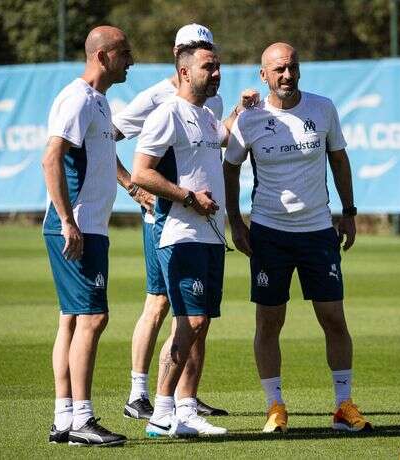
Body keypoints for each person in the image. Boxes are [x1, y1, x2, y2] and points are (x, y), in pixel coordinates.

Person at [223, 42, 372, 434]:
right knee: (269, 321)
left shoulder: (323, 108)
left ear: (299, 69)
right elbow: (230, 168)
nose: (286, 75)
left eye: (291, 67)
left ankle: (343, 406)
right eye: (278, 70)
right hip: (269, 234)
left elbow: (339, 159)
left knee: (334, 319)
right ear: (263, 75)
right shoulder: (249, 119)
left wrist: (350, 213)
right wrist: (236, 222)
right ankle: (275, 407)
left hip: (318, 231)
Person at [131, 39, 256, 437]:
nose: (216, 72)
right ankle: (161, 412)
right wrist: (187, 197)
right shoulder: (166, 113)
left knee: (199, 325)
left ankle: (183, 409)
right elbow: (140, 173)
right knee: (191, 319)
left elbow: (222, 138)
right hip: (179, 233)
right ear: (184, 71)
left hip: (210, 234)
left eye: (218, 66)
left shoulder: (204, 115)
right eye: (208, 67)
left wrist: (241, 110)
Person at [112, 24, 227, 420]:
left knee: (197, 317)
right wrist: (131, 186)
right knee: (162, 304)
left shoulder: (210, 103)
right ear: (180, 58)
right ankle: (141, 395)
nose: (207, 58)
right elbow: (105, 136)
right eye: (195, 50)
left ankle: (184, 398)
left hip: (204, 225)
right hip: (166, 219)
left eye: (208, 48)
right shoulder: (159, 100)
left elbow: (218, 144)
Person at [41, 25, 133, 447]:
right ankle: (82, 419)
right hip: (77, 228)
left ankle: (64, 419)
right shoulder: (76, 98)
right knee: (94, 318)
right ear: (102, 56)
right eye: (124, 52)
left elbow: (102, 154)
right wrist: (67, 220)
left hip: (87, 226)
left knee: (73, 320)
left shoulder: (100, 103)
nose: (130, 60)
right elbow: (51, 157)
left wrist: (131, 184)